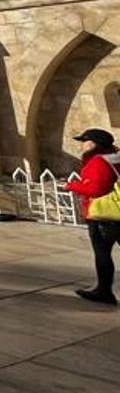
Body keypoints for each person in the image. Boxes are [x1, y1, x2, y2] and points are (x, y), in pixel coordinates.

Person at [65, 128, 120, 305]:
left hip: (103, 215)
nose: (82, 145)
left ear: (94, 144)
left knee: (102, 254)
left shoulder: (98, 161)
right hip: (117, 211)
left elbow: (97, 189)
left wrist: (72, 186)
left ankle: (104, 291)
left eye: (85, 141)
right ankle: (103, 290)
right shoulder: (115, 158)